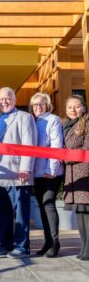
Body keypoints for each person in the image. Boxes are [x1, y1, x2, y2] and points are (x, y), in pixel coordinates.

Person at [0, 87, 37, 259]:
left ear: (14, 100)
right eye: (1, 99)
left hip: (17, 173)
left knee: (20, 212)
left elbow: (29, 144)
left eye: (8, 98)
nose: (4, 101)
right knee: (2, 211)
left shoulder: (24, 117)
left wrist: (25, 167)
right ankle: (5, 243)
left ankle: (22, 246)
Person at [29, 92, 64, 257]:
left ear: (47, 105)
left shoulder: (53, 120)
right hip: (36, 173)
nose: (38, 107)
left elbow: (56, 146)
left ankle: (55, 244)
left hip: (51, 172)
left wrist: (51, 169)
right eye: (35, 105)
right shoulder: (33, 121)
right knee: (42, 207)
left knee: (48, 204)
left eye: (41, 104)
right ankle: (47, 242)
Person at [63, 95, 89, 261]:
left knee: (87, 212)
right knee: (79, 212)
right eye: (70, 107)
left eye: (77, 106)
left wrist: (65, 158)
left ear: (84, 108)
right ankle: (84, 246)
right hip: (72, 174)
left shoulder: (87, 123)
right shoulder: (66, 126)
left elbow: (86, 150)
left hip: (85, 173)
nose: (73, 109)